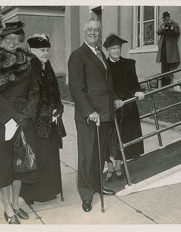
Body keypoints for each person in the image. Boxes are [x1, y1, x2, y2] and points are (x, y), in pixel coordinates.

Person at [0, 21, 39, 224]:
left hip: (23, 118)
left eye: (16, 38)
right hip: (2, 119)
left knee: (19, 164)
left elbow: (34, 91)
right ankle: (7, 209)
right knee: (3, 166)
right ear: (1, 41)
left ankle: (15, 203)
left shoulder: (26, 61)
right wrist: (13, 116)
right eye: (8, 38)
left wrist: (28, 114)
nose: (13, 42)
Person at [68, 18, 123, 213]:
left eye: (97, 30)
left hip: (106, 114)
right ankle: (86, 195)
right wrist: (89, 111)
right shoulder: (78, 55)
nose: (93, 33)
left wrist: (115, 97)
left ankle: (98, 185)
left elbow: (108, 84)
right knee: (86, 157)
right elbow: (76, 87)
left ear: (100, 33)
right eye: (90, 30)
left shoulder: (100, 54)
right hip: (89, 116)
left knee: (100, 155)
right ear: (85, 32)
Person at [20, 33, 66, 204]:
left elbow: (55, 90)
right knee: (36, 157)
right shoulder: (28, 66)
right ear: (32, 50)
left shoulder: (47, 65)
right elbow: (27, 95)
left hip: (50, 120)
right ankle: (32, 194)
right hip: (35, 121)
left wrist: (58, 107)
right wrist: (45, 111)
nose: (46, 53)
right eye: (42, 50)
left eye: (47, 49)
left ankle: (49, 190)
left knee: (49, 156)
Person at [104, 34, 145, 182]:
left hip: (127, 105)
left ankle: (119, 166)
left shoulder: (128, 63)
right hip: (110, 104)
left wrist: (138, 91)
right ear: (108, 50)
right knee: (109, 137)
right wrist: (114, 99)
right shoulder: (103, 65)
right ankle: (109, 168)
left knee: (125, 135)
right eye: (113, 48)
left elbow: (134, 82)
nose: (116, 51)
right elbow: (104, 87)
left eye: (118, 48)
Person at [156, 11, 180, 86]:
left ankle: (168, 81)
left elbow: (177, 33)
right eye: (165, 18)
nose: (166, 19)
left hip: (170, 48)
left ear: (169, 17)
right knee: (163, 64)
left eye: (167, 18)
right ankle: (164, 82)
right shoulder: (163, 25)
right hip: (163, 47)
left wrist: (170, 29)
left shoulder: (174, 24)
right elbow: (158, 32)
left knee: (170, 63)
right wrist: (163, 29)